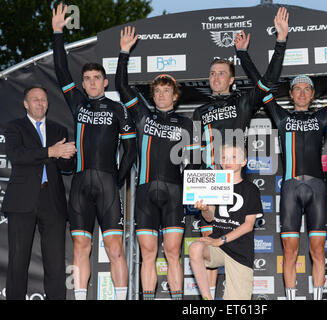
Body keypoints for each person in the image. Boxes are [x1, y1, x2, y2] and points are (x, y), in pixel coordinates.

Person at [239, 29, 327, 299]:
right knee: (289, 252)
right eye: (297, 89)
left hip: (316, 190)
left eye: (307, 89)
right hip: (290, 190)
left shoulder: (323, 116)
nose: (302, 93)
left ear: (312, 94)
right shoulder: (279, 116)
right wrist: (243, 55)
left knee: (316, 251)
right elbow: (261, 87)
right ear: (291, 94)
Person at [191, 7, 289, 297]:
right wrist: (193, 186)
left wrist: (279, 42)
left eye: (222, 73)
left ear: (232, 79)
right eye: (212, 74)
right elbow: (195, 153)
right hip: (210, 181)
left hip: (234, 179)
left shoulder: (243, 102)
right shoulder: (200, 111)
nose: (216, 77)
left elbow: (268, 82)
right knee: (204, 244)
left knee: (233, 241)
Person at [52, 4, 137, 300]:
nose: (90, 82)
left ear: (104, 82)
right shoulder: (77, 103)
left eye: (95, 78)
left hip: (107, 184)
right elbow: (61, 68)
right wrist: (58, 32)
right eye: (86, 78)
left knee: (115, 249)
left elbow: (131, 149)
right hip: (79, 184)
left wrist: (118, 179)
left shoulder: (118, 109)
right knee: (80, 247)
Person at [115, 26, 197, 300]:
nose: (162, 95)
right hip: (146, 193)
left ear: (175, 95)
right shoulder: (142, 116)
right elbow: (121, 86)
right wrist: (124, 53)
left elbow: (195, 163)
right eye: (158, 91)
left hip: (175, 193)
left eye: (167, 91)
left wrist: (199, 194)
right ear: (153, 95)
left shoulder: (186, 123)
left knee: (173, 253)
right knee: (148, 254)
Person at [3, 85, 76, 300]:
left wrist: (67, 158)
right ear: (26, 104)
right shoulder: (14, 127)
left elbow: (66, 168)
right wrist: (51, 152)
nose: (40, 103)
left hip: (51, 201)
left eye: (44, 99)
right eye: (35, 99)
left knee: (55, 263)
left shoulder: (58, 130)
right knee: (18, 262)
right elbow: (17, 156)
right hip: (21, 201)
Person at [189, 144, 263, 300]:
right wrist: (204, 209)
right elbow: (211, 217)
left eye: (233, 157)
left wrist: (220, 240)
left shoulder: (251, 189)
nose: (228, 161)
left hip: (240, 251)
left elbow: (248, 225)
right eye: (224, 157)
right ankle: (206, 297)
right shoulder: (216, 184)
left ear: (244, 162)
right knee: (195, 247)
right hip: (218, 247)